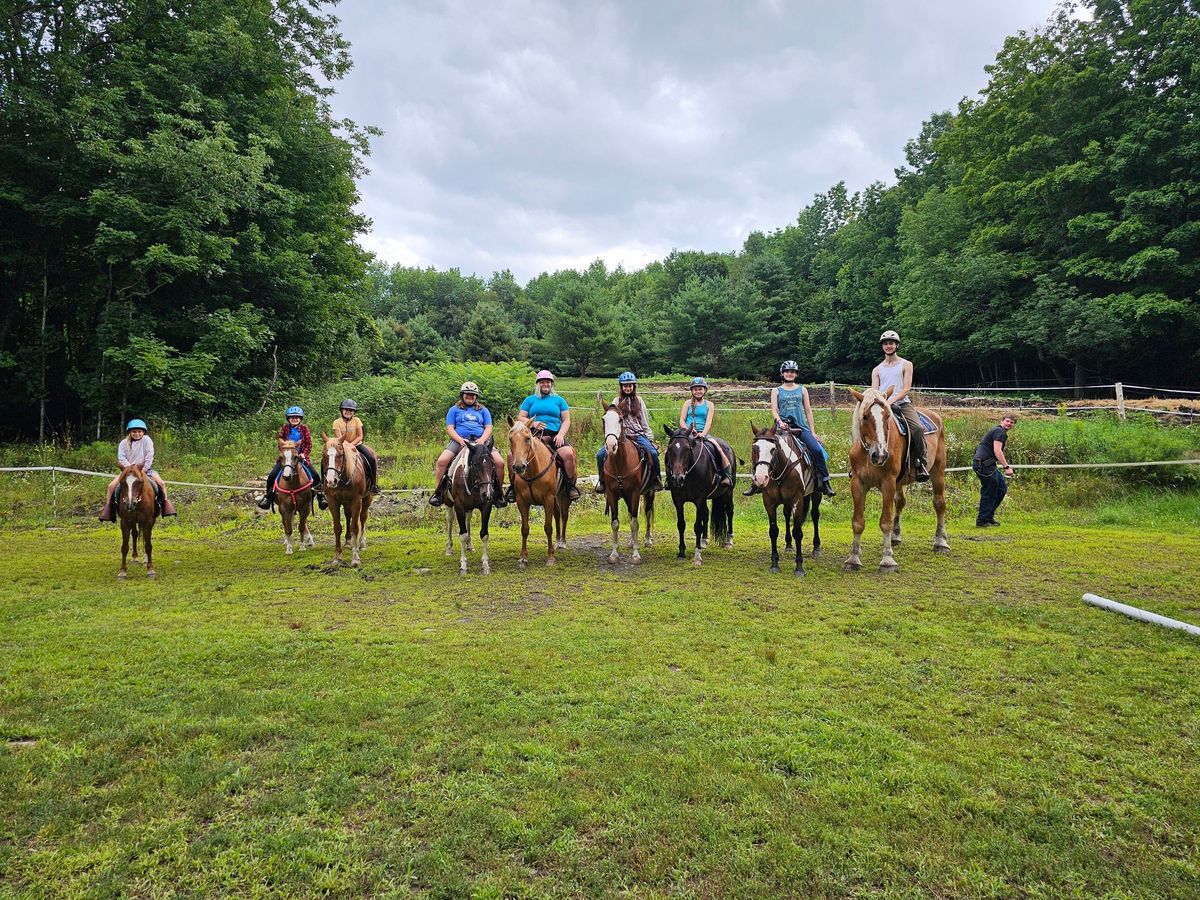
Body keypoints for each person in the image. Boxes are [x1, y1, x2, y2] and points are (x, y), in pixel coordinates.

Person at [746, 360, 835, 497]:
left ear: (796, 374)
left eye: (792, 372)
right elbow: (774, 411)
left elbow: (808, 411)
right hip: (782, 428)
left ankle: (824, 481)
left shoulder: (802, 389)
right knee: (763, 448)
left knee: (817, 450)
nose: (790, 374)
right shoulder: (776, 390)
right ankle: (755, 483)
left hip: (801, 428)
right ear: (782, 373)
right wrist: (780, 422)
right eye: (787, 371)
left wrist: (812, 432)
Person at [429, 381, 507, 507]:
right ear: (462, 395)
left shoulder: (483, 410)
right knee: (442, 461)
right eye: (467, 394)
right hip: (460, 440)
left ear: (476, 397)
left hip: (481, 442)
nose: (470, 397)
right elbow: (450, 428)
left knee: (499, 462)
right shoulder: (454, 410)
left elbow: (488, 427)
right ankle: (439, 493)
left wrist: (482, 440)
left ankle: (498, 494)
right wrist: (460, 440)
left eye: (473, 395)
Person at [506, 370, 580, 501]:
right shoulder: (530, 400)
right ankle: (513, 487)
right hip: (534, 435)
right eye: (542, 382)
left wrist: (561, 434)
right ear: (538, 384)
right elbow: (521, 416)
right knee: (511, 455)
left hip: (555, 435)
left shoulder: (559, 400)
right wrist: (533, 424)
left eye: (548, 382)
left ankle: (570, 487)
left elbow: (566, 420)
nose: (545, 384)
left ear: (552, 384)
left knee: (568, 454)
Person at [871, 329, 929, 482]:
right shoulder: (877, 369)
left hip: (902, 404)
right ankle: (859, 464)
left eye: (891, 343)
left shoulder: (906, 364)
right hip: (881, 407)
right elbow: (874, 390)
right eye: (885, 344)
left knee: (916, 428)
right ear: (882, 346)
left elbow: (906, 388)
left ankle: (920, 462)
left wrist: (889, 401)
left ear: (896, 345)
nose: (888, 346)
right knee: (864, 426)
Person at [595, 371, 662, 493]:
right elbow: (611, 420)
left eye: (630, 385)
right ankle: (602, 481)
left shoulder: (639, 401)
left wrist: (649, 437)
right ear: (621, 387)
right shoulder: (616, 401)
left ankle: (656, 479)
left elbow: (644, 420)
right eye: (625, 385)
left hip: (638, 434)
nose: (628, 388)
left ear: (634, 386)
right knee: (600, 455)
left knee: (652, 453)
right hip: (621, 436)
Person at [98, 419, 176, 521]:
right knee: (111, 486)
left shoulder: (146, 440)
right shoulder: (123, 443)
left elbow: (149, 455)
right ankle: (109, 509)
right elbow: (121, 458)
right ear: (129, 432)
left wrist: (143, 469)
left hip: (145, 470)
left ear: (143, 432)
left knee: (161, 483)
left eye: (139, 431)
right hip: (127, 472)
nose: (137, 434)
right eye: (134, 431)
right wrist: (131, 469)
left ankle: (165, 505)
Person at [257, 406, 325, 511]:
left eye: (297, 417)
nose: (294, 419)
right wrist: (284, 453)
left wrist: (304, 454)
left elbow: (308, 444)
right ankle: (268, 497)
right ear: (288, 419)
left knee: (315, 475)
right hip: (286, 457)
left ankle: (321, 497)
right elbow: (280, 442)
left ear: (300, 419)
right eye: (292, 417)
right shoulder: (285, 428)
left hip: (300, 457)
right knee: (272, 475)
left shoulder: (304, 428)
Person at [679, 377, 732, 487]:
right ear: (692, 391)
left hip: (703, 432)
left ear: (705, 390)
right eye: (695, 389)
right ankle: (669, 477)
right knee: (674, 447)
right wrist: (688, 430)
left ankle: (726, 474)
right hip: (687, 432)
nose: (698, 391)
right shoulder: (687, 403)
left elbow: (708, 421)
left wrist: (703, 433)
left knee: (718, 447)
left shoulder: (709, 404)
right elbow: (682, 420)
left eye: (700, 389)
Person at [973, 414, 1016, 527]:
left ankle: (988, 516)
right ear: (1002, 421)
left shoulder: (1001, 433)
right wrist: (1006, 467)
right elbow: (997, 450)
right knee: (989, 492)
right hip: (983, 465)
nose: (1009, 424)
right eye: (1007, 421)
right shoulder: (999, 431)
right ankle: (982, 521)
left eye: (1012, 422)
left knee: (1001, 488)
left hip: (989, 465)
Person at [332, 399, 380, 495]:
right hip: (342, 446)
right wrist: (348, 446)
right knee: (325, 460)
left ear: (354, 412)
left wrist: (352, 445)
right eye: (346, 410)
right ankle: (323, 484)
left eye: (351, 410)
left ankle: (374, 484)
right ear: (341, 410)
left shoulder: (357, 420)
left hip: (357, 445)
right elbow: (339, 438)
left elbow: (360, 436)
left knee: (371, 459)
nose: (348, 412)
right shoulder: (337, 422)